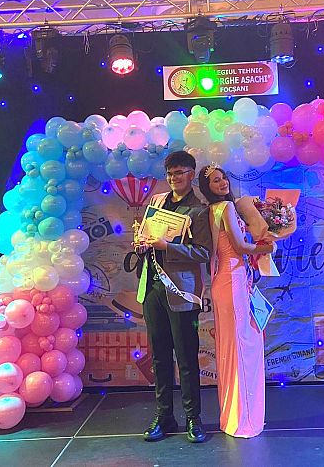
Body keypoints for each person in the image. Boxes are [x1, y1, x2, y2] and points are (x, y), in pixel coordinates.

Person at [134, 151, 211, 443]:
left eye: (179, 172)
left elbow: (204, 253)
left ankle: (193, 418)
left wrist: (168, 246)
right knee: (160, 357)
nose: (173, 178)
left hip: (181, 291)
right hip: (152, 287)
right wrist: (142, 243)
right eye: (169, 173)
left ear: (191, 174)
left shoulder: (198, 210)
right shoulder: (156, 202)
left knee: (187, 358)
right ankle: (164, 416)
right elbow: (148, 238)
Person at [197, 164, 275, 438]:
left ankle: (234, 417)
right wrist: (267, 247)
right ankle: (243, 420)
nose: (222, 183)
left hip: (228, 279)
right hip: (233, 280)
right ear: (207, 188)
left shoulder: (214, 210)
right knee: (242, 346)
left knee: (234, 346)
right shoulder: (226, 208)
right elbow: (240, 247)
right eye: (215, 181)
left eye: (223, 178)